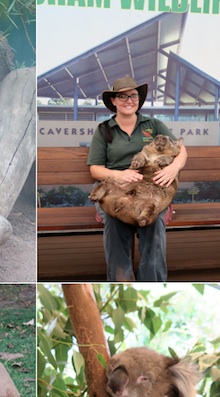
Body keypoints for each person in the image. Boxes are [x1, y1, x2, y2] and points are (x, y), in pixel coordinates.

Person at [87, 75, 187, 282]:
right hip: (116, 188)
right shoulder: (104, 130)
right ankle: (122, 282)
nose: (129, 100)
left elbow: (181, 149)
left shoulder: (153, 124)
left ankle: (153, 282)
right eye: (122, 96)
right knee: (115, 224)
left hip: (150, 187)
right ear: (113, 101)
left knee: (153, 223)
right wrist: (119, 174)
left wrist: (174, 167)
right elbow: (95, 170)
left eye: (133, 96)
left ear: (139, 99)